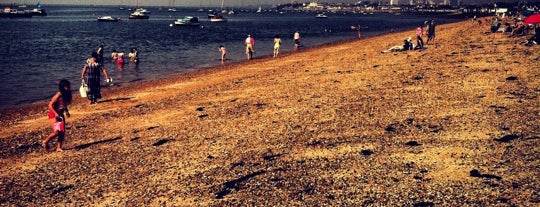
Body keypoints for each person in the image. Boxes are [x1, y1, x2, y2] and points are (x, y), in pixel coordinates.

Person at [42, 79, 72, 152]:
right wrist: (56, 113)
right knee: (56, 132)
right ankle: (45, 141)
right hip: (53, 114)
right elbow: (50, 105)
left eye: (68, 86)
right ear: (62, 87)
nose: (68, 88)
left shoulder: (66, 94)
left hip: (60, 114)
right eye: (66, 87)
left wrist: (67, 111)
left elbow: (64, 104)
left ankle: (58, 147)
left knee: (62, 131)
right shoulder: (58, 95)